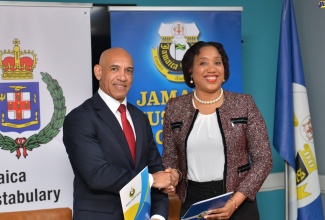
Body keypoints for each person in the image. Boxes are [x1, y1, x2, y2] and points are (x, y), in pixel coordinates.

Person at [162, 41, 272, 220]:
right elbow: (171, 158)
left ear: (224, 70)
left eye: (217, 62)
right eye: (203, 63)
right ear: (191, 70)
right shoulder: (175, 108)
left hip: (239, 201)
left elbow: (264, 160)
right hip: (193, 203)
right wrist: (173, 175)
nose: (212, 69)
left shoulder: (244, 104)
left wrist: (234, 202)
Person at [63, 47, 175, 220]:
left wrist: (158, 217)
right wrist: (150, 180)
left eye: (128, 71)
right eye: (114, 69)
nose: (122, 77)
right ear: (98, 72)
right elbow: (97, 175)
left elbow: (156, 170)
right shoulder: (80, 118)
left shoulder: (139, 118)